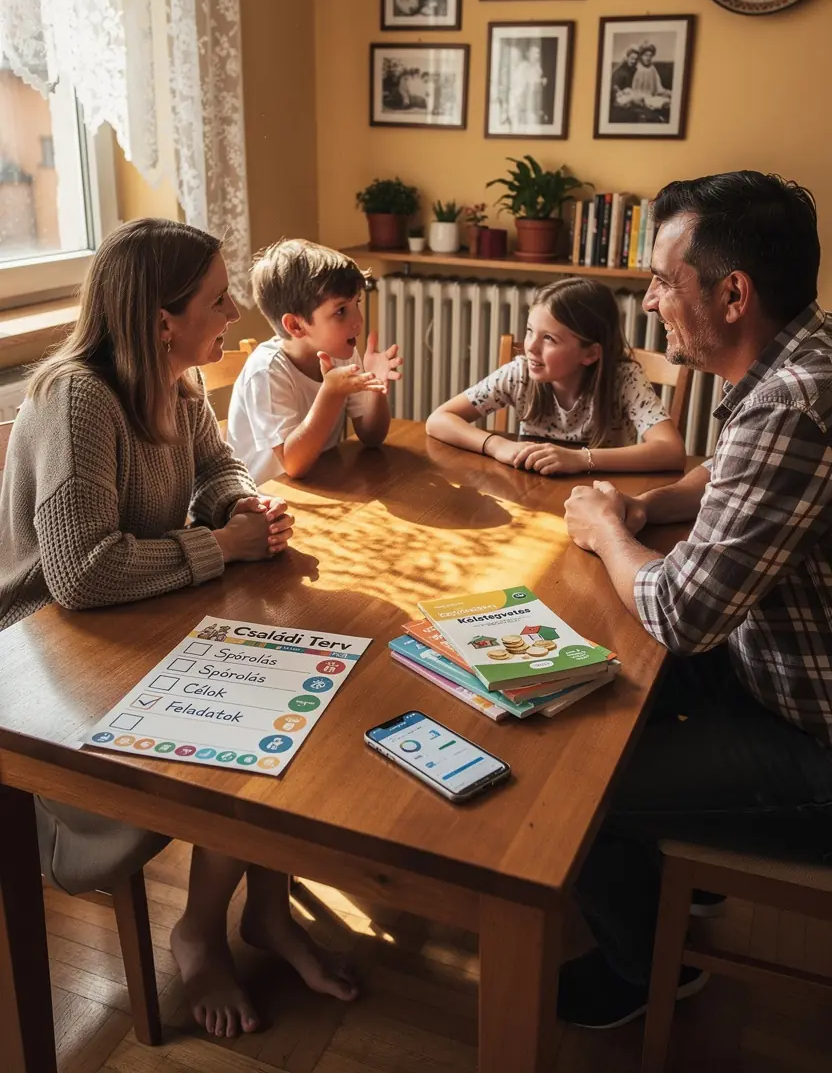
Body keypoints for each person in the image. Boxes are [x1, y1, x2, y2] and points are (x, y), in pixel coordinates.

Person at [0, 218, 358, 1038]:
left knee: (285, 703)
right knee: (243, 740)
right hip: (46, 661)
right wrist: (221, 546)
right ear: (163, 320)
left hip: (133, 624)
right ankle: (198, 933)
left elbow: (216, 465)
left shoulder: (177, 381)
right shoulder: (79, 398)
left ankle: (264, 912)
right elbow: (81, 574)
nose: (233, 312)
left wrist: (240, 504)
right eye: (217, 299)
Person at [561, 172, 832, 1029]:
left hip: (814, 740)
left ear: (732, 294)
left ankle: (646, 969)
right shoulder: (807, 356)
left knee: (578, 787)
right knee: (585, 680)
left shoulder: (792, 404)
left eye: (661, 281)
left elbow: (683, 614)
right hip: (774, 676)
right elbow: (727, 473)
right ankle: (689, 866)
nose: (647, 303)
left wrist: (608, 528)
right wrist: (652, 505)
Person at [425, 278, 686, 475]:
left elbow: (671, 451)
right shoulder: (520, 374)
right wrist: (496, 445)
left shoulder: (624, 379)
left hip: (600, 499)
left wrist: (580, 459)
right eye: (530, 331)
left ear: (590, 353)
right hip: (530, 496)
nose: (531, 347)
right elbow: (439, 420)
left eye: (549, 338)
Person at [227, 239, 402, 482]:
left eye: (357, 303)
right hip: (262, 494)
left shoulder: (340, 352)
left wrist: (376, 387)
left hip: (317, 482)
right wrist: (331, 392)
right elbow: (293, 464)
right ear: (296, 326)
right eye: (341, 311)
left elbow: (371, 436)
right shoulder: (266, 372)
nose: (358, 321)